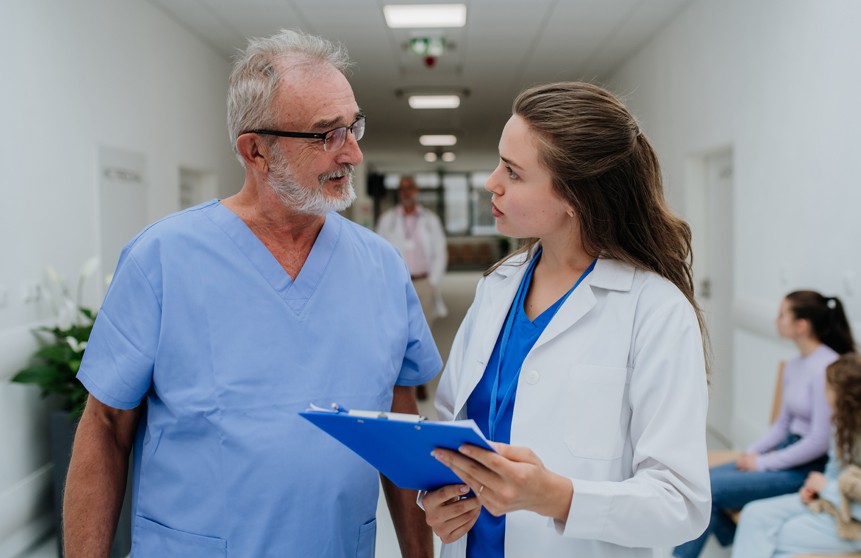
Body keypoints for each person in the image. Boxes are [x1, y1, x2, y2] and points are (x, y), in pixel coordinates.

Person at [63, 30, 441, 557]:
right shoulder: (163, 259)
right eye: (325, 134)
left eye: (353, 126)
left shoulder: (381, 266)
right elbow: (105, 425)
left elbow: (400, 430)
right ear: (256, 150)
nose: (352, 152)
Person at [422, 81, 711, 558]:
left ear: (574, 197)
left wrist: (555, 497)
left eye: (513, 173)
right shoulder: (497, 288)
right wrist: (436, 500)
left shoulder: (654, 310)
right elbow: (451, 427)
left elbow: (682, 504)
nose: (491, 182)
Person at [674, 290, 856, 558]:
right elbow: (782, 425)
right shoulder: (794, 365)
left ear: (801, 325)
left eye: (782, 314)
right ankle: (746, 542)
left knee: (710, 491)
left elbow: (819, 441)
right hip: (785, 451)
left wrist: (762, 464)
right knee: (699, 482)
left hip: (807, 467)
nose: (776, 320)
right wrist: (753, 452)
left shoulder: (828, 368)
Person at [732, 354, 861, 557]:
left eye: (827, 388)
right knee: (753, 515)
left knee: (773, 539)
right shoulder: (843, 430)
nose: (823, 393)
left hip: (859, 527)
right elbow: (833, 474)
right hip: (828, 505)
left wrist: (826, 489)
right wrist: (815, 491)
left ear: (843, 398)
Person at [377, 175, 448, 399]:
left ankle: (421, 381)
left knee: (423, 331)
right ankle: (402, 379)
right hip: (398, 283)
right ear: (399, 192)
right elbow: (380, 252)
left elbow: (440, 251)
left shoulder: (430, 219)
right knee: (400, 330)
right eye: (403, 188)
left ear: (416, 191)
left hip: (424, 282)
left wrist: (433, 281)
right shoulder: (388, 219)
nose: (407, 192)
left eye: (410, 188)